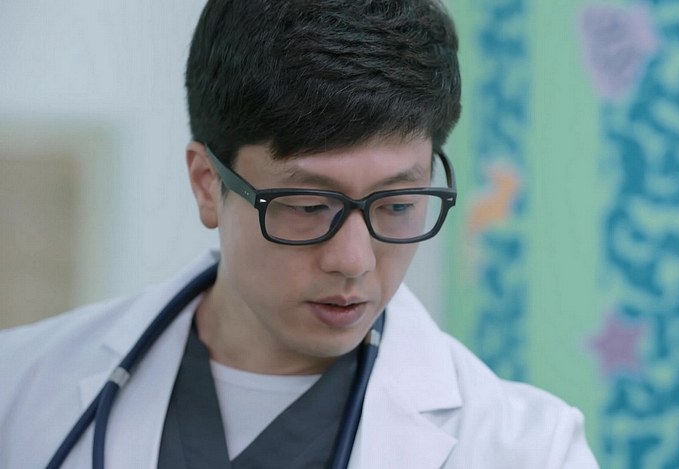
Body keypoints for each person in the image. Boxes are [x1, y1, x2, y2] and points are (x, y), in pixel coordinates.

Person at [0, 0, 599, 467]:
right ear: (208, 183)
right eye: (309, 205)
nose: (354, 260)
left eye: (397, 204)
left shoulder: (527, 449)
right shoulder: (18, 389)